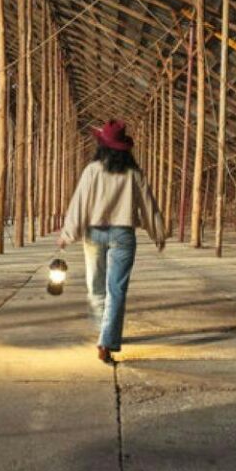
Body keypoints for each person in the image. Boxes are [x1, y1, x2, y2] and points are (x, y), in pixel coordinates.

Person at [57, 120, 167, 364]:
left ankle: (104, 332)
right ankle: (107, 338)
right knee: (116, 290)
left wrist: (68, 233)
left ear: (102, 147)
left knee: (96, 288)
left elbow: (79, 204)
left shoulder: (92, 170)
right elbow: (148, 206)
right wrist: (158, 233)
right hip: (123, 235)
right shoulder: (134, 174)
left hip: (94, 234)